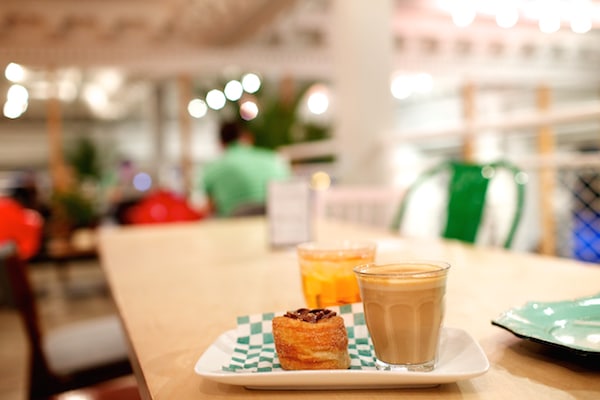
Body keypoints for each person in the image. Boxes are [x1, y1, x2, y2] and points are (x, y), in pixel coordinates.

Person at [202, 120, 291, 217]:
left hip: (234, 226)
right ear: (248, 137)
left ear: (221, 143)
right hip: (276, 220)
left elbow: (210, 207)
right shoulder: (274, 159)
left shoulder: (214, 168)